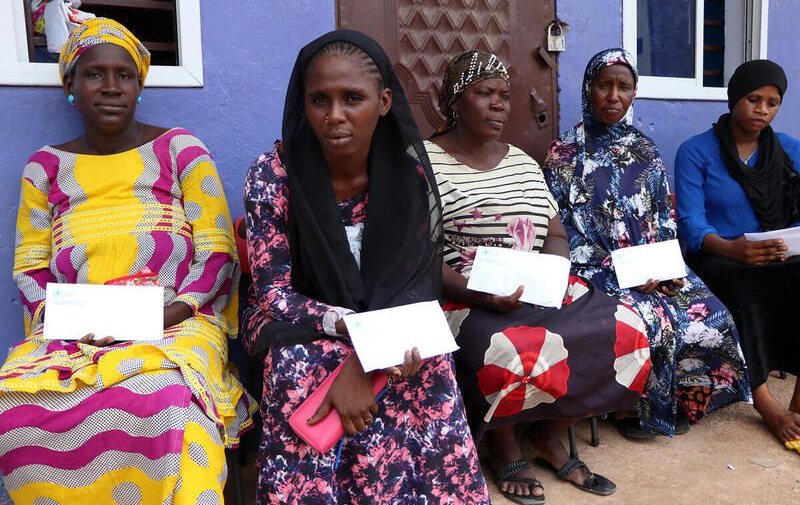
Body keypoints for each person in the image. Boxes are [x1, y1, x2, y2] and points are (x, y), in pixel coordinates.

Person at [0, 18, 255, 502]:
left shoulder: (180, 150)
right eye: (95, 75)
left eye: (125, 75)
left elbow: (218, 253)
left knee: (167, 403)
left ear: (140, 85)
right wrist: (69, 322)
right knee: (14, 408)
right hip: (76, 329)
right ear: (71, 86)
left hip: (177, 320)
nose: (112, 87)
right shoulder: (45, 167)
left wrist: (163, 316)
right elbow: (30, 268)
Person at [242, 30, 489, 504]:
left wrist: (371, 352)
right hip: (295, 318)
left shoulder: (409, 174)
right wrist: (360, 335)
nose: (334, 115)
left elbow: (417, 279)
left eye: (352, 98)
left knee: (429, 364)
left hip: (388, 315)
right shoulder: (273, 174)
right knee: (300, 366)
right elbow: (274, 292)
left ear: (383, 101)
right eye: (320, 100)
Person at [426, 50, 651, 504]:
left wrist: (551, 273)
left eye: (504, 96)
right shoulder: (424, 161)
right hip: (463, 289)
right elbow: (417, 254)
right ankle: (503, 443)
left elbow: (554, 233)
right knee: (510, 347)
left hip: (536, 281)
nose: (498, 105)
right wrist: (479, 293)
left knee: (623, 326)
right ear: (455, 101)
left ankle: (551, 433)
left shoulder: (521, 162)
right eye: (484, 94)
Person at [544, 48, 751, 440]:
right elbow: (562, 231)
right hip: (593, 269)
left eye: (623, 87)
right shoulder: (564, 154)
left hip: (652, 267)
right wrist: (620, 271)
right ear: (589, 90)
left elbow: (663, 221)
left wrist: (665, 269)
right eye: (604, 85)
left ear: (634, 92)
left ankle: (679, 398)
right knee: (645, 321)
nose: (613, 96)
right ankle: (631, 409)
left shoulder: (646, 151)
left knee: (713, 315)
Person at [675, 59, 800, 452]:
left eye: (772, 102)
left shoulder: (790, 150)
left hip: (780, 253)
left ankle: (797, 406)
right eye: (753, 99)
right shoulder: (697, 151)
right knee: (746, 290)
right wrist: (734, 248)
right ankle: (766, 404)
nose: (762, 109)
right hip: (720, 256)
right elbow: (692, 224)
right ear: (733, 99)